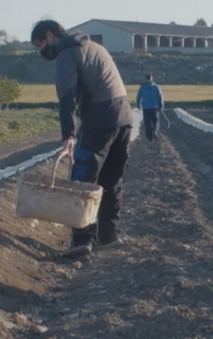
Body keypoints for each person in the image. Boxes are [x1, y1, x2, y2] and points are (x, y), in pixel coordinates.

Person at [31, 19, 135, 259]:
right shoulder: (95, 47)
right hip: (124, 117)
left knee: (82, 180)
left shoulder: (67, 54)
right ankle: (108, 235)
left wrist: (68, 134)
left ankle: (82, 241)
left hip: (99, 118)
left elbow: (67, 97)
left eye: (41, 45)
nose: (43, 52)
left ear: (50, 35)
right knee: (111, 180)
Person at [135, 73, 165, 142]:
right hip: (154, 107)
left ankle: (149, 137)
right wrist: (161, 105)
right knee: (156, 120)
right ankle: (155, 130)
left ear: (146, 78)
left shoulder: (142, 87)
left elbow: (138, 97)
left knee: (147, 122)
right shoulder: (156, 87)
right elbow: (160, 96)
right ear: (151, 78)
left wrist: (138, 105)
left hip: (146, 107)